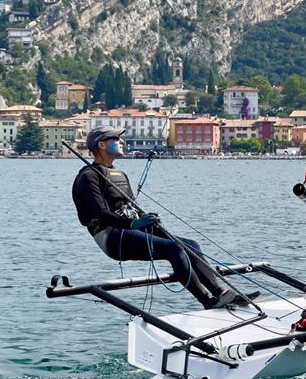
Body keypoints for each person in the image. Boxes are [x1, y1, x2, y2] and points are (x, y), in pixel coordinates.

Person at [72, 126, 242, 309]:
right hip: (111, 237)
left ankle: (220, 293)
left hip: (132, 228)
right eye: (116, 139)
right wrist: (133, 223)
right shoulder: (88, 177)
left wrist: (145, 219)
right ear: (102, 145)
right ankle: (207, 301)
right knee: (174, 249)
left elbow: (131, 207)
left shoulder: (119, 174)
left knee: (191, 245)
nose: (122, 142)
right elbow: (102, 214)